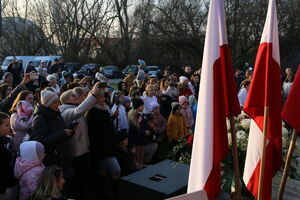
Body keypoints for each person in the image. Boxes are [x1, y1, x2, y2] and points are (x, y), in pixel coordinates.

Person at [59, 85, 98, 199]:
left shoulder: (73, 108)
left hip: (83, 149)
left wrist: (91, 92)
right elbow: (79, 110)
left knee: (83, 176)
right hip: (76, 152)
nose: (75, 96)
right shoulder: (66, 111)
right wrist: (93, 94)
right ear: (66, 100)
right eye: (72, 95)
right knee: (78, 178)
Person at [30, 90, 74, 181]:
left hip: (63, 157)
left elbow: (60, 134)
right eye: (55, 102)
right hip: (52, 160)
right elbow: (40, 142)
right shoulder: (39, 119)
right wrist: (62, 132)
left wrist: (69, 131)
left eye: (58, 101)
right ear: (47, 104)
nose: (58, 104)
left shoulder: (57, 115)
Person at [86, 90, 120, 197]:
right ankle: (114, 192)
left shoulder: (104, 109)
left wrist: (112, 117)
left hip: (107, 146)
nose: (103, 99)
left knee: (102, 170)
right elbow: (97, 132)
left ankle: (102, 189)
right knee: (116, 170)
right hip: (102, 148)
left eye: (103, 97)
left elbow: (106, 125)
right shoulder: (92, 112)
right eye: (100, 98)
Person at [0, 112, 18, 200]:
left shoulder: (6, 139)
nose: (9, 128)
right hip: (4, 186)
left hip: (12, 180)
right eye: (6, 125)